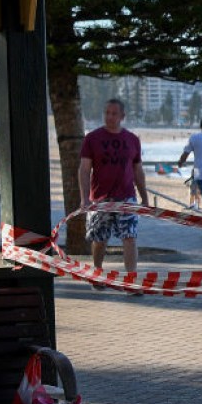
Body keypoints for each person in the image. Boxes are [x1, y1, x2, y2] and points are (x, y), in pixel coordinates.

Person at [78, 98, 150, 279]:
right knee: (100, 240)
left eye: (114, 113)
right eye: (107, 113)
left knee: (130, 237)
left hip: (126, 197)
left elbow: (137, 171)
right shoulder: (92, 139)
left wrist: (145, 198)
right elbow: (84, 169)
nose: (109, 117)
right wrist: (84, 198)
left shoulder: (132, 140)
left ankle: (131, 279)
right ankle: (97, 271)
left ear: (122, 116)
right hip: (100, 199)